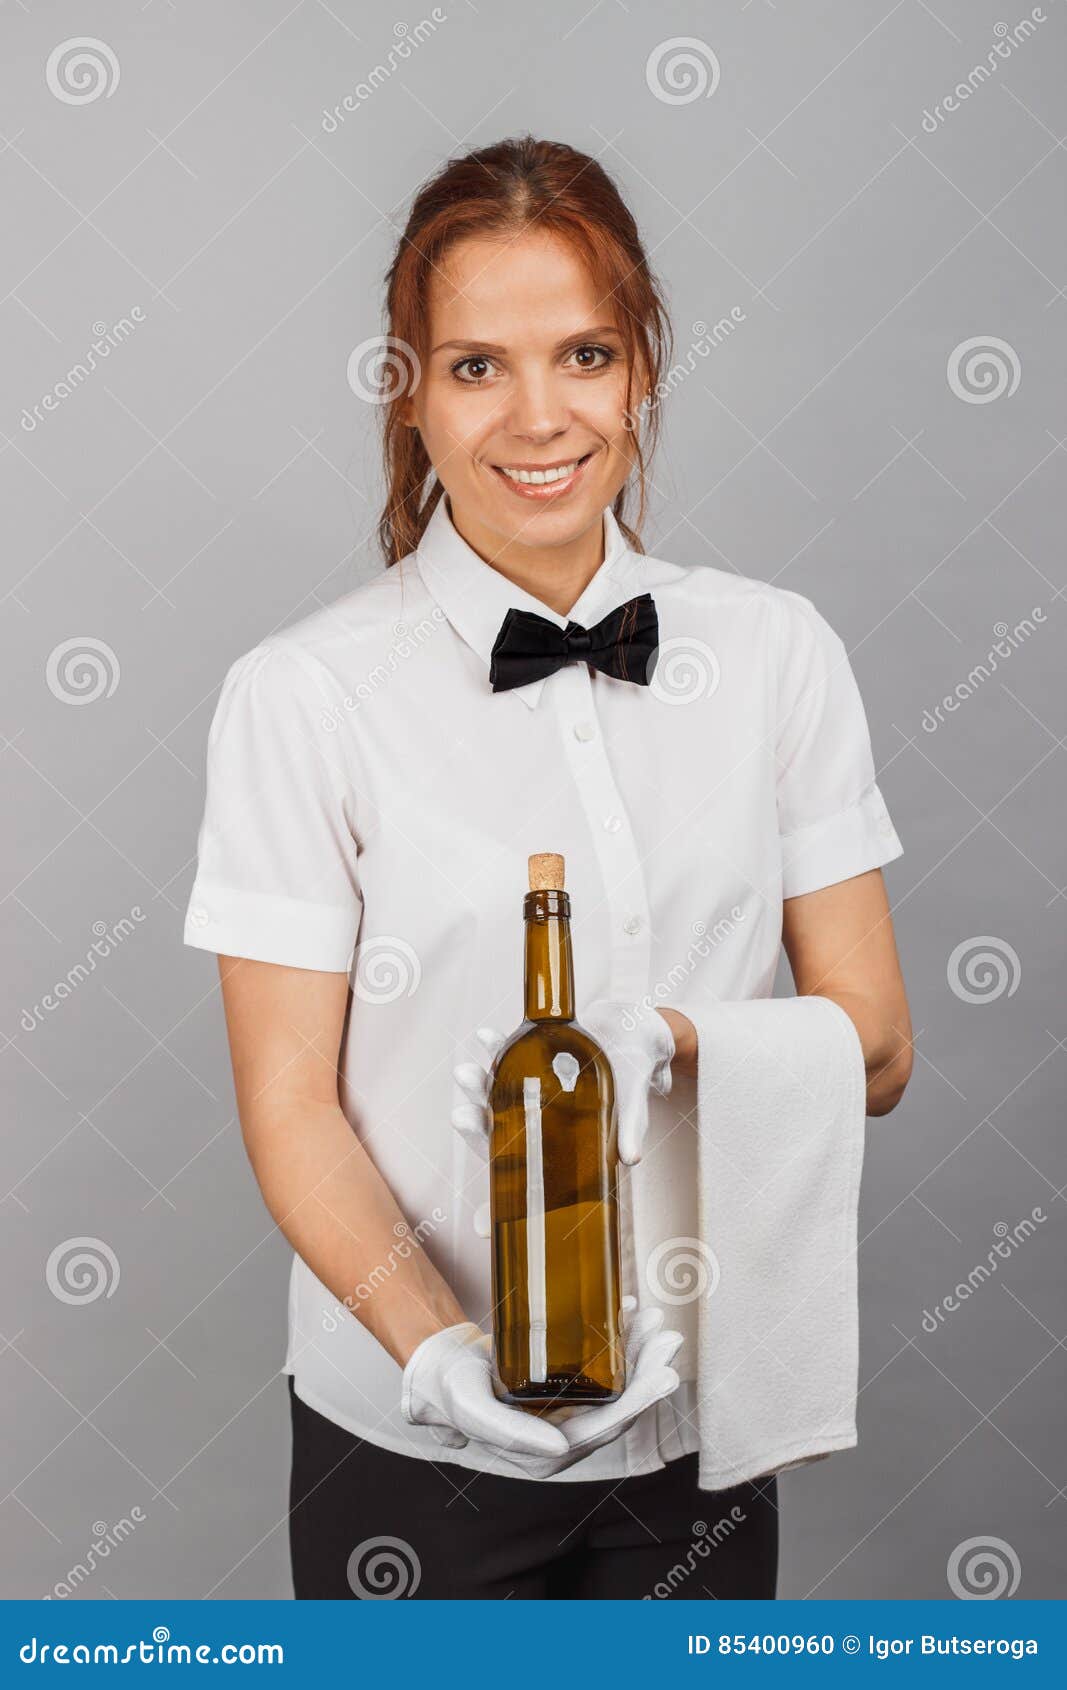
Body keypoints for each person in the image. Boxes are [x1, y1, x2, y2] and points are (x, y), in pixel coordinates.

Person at [184, 135, 912, 1600]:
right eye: (475, 366)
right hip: (405, 1442)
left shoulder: (778, 655)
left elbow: (878, 1042)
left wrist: (681, 1042)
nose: (539, 416)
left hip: (698, 1434)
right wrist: (437, 1348)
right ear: (410, 390)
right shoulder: (303, 693)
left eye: (583, 353)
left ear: (643, 368)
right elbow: (289, 1101)